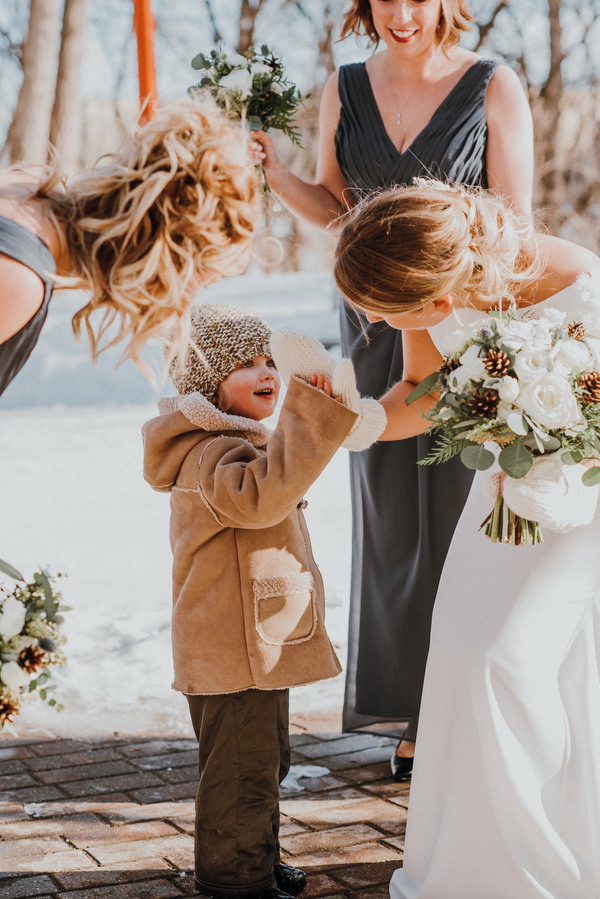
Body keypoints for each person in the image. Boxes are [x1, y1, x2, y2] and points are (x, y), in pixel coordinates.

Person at [250, 0, 534, 777]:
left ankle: (464, 701)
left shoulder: (491, 85)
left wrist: (485, 332)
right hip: (371, 316)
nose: (402, 13)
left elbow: (520, 225)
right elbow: (336, 209)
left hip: (463, 316)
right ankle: (409, 705)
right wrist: (278, 175)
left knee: (458, 505)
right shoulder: (345, 85)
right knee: (386, 512)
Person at [333, 181, 600, 898]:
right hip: (500, 498)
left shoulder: (579, 281)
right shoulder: (434, 281)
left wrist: (559, 448)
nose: (379, 322)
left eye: (390, 311)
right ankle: (475, 869)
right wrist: (354, 422)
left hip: (584, 499)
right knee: (459, 651)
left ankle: (545, 871)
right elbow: (424, 388)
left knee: (505, 657)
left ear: (441, 297)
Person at [142, 303, 363, 899]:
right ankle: (235, 880)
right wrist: (311, 416)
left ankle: (255, 858)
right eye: (246, 364)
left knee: (261, 763)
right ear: (208, 381)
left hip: (250, 641)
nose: (267, 373)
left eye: (269, 361)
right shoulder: (211, 453)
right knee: (241, 770)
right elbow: (262, 500)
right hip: (230, 645)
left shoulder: (232, 441)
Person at [0, 98, 258, 397]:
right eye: (202, 281)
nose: (189, 302)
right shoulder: (19, 277)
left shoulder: (28, 192)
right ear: (168, 258)